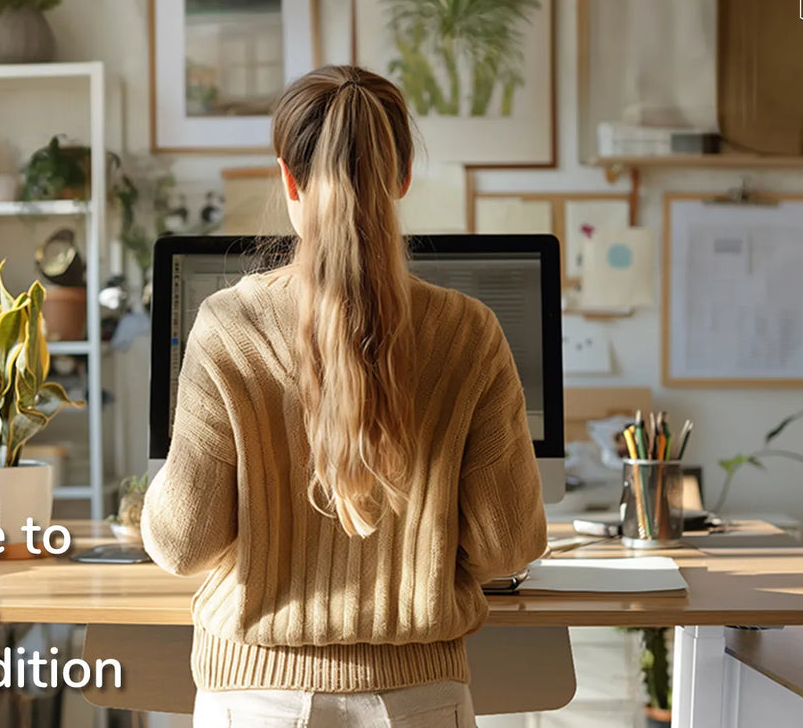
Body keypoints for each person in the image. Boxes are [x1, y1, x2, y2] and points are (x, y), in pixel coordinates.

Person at [141, 65, 548, 728]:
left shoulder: (227, 327)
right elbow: (507, 545)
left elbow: (184, 543)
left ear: (289, 178)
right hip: (420, 697)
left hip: (254, 695)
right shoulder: (469, 331)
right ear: (403, 176)